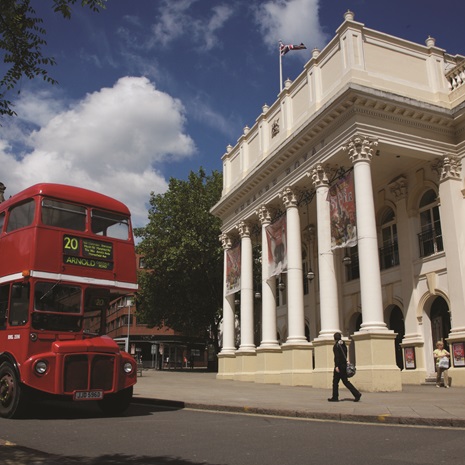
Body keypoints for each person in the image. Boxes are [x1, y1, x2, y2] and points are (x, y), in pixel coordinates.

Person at [328, 332, 361, 402]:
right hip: (344, 365)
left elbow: (337, 357)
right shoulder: (343, 344)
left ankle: (335, 397)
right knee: (346, 382)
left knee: (335, 382)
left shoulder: (336, 345)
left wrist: (336, 366)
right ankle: (356, 394)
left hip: (339, 366)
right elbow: (344, 354)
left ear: (334, 338)